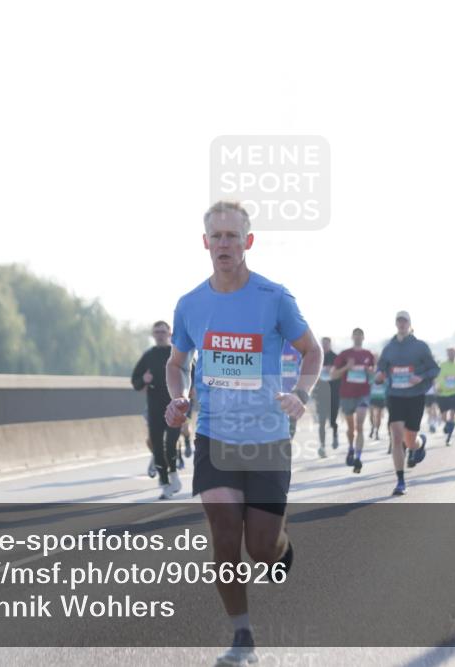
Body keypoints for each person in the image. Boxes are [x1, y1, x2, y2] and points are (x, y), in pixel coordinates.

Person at [164, 201, 321, 666]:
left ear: (248, 242)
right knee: (225, 535)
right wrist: (179, 398)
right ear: (205, 242)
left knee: (262, 548)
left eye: (234, 236)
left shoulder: (274, 297)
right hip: (214, 436)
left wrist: (301, 393)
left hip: (268, 437)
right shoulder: (190, 304)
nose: (225, 244)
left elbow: (311, 353)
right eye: (218, 236)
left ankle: (280, 544)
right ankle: (242, 636)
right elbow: (177, 364)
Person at [376, 311, 439, 496]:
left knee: (410, 441)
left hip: (415, 396)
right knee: (396, 438)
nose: (402, 324)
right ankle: (400, 481)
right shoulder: (389, 348)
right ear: (396, 324)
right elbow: (381, 367)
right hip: (395, 396)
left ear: (410, 324)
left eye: (405, 321)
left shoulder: (420, 347)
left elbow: (435, 369)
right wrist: (379, 375)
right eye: (399, 321)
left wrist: (420, 377)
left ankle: (420, 443)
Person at [131, 321, 182, 499]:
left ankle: (174, 474)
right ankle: (165, 484)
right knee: (157, 447)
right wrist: (143, 379)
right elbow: (135, 380)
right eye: (156, 332)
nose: (160, 335)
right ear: (153, 335)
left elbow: (191, 374)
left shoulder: (177, 353)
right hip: (154, 407)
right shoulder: (149, 356)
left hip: (174, 406)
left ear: (169, 333)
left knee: (170, 445)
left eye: (163, 331)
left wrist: (187, 396)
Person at [330, 328, 376, 473]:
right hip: (347, 394)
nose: (357, 337)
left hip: (363, 394)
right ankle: (350, 448)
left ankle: (358, 458)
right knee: (351, 428)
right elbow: (333, 375)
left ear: (363, 337)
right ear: (352, 337)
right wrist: (346, 367)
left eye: (359, 335)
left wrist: (370, 372)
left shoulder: (368, 355)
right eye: (355, 335)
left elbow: (374, 377)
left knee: (360, 426)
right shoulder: (344, 354)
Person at [312, 337, 340, 456]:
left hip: (333, 393)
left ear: (330, 344)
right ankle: (322, 446)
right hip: (321, 394)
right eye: (322, 344)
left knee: (332, 420)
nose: (324, 346)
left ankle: (335, 435)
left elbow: (340, 375)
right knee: (322, 422)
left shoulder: (336, 358)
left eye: (326, 344)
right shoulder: (317, 358)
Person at [435, 346, 455, 446]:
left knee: (452, 415)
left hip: (454, 393)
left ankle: (449, 438)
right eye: (449, 353)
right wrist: (437, 386)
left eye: (453, 353)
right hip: (442, 394)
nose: (451, 355)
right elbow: (436, 377)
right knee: (444, 417)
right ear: (447, 354)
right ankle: (447, 425)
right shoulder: (442, 365)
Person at [281, 340, 303, 439]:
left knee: (291, 424)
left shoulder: (299, 343)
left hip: (293, 392)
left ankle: (288, 445)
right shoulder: (271, 341)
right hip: (274, 391)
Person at [369, 373, 387, 444]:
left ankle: (377, 432)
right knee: (371, 415)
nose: (379, 377)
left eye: (380, 376)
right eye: (377, 376)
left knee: (378, 417)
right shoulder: (372, 382)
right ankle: (373, 427)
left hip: (381, 400)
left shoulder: (385, 383)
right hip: (372, 400)